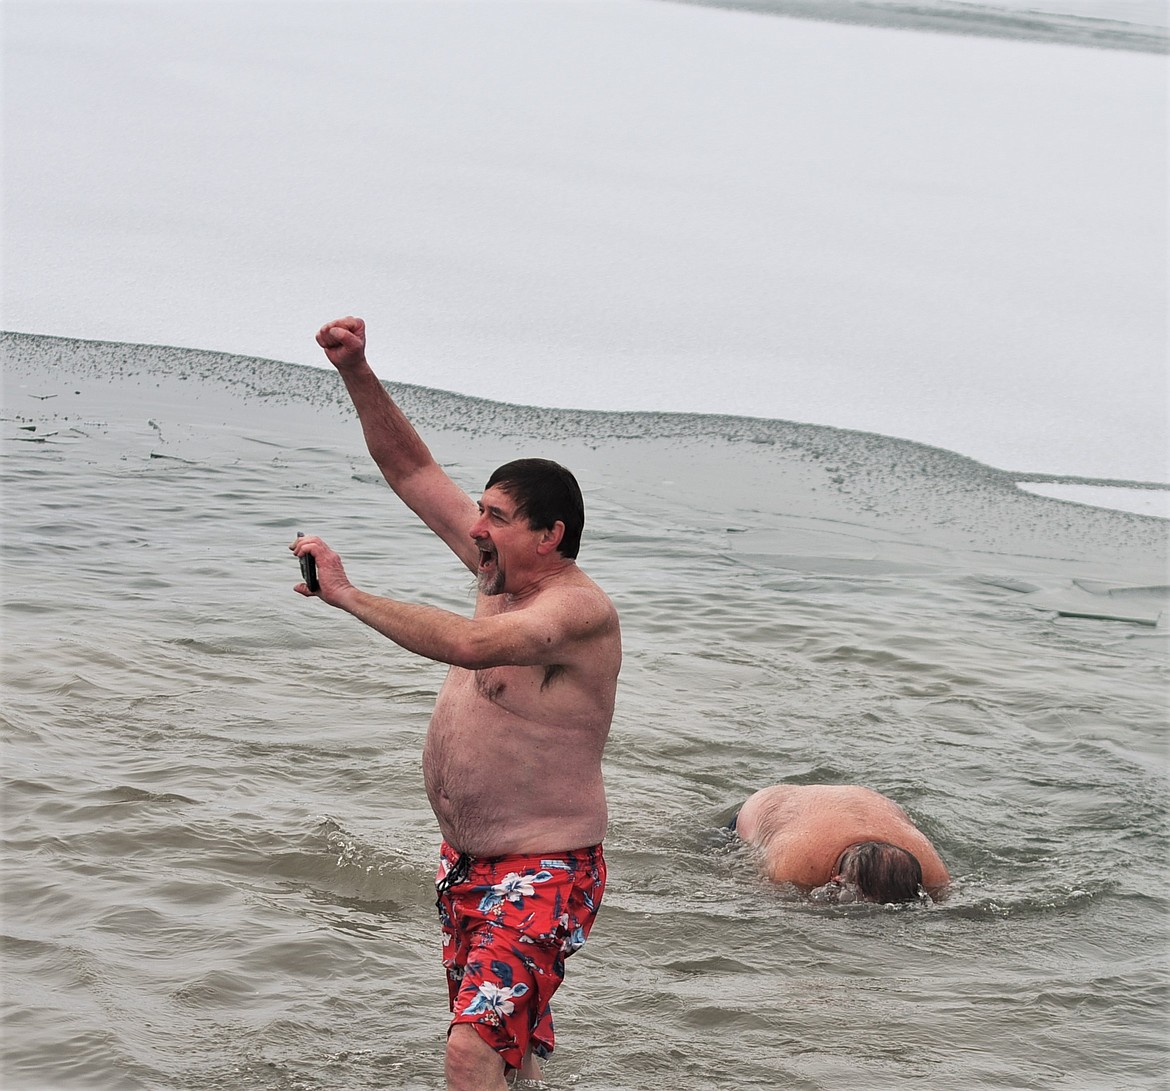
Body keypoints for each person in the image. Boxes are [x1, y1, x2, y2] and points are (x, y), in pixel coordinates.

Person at [291, 316, 621, 1091]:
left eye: (496, 518)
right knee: (507, 1061)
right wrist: (356, 368)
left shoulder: (576, 613)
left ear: (551, 536)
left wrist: (345, 594)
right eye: (480, 509)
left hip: (544, 868)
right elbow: (410, 469)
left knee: (469, 1053)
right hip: (468, 864)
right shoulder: (492, 570)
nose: (476, 527)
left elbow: (471, 649)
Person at [730, 784, 950, 903]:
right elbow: (758, 894)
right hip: (768, 803)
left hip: (860, 800)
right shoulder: (794, 868)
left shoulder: (934, 874)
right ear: (837, 880)